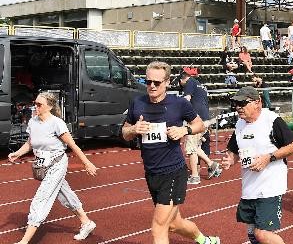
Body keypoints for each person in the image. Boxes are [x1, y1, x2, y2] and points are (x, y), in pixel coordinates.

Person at [121, 61, 220, 244]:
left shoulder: (179, 103)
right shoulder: (137, 103)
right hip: (152, 173)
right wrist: (134, 129)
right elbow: (124, 133)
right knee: (174, 224)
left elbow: (199, 124)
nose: (151, 86)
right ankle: (205, 241)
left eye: (156, 83)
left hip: (174, 172)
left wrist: (184, 130)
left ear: (167, 82)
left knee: (158, 227)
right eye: (148, 81)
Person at [8, 92, 99, 243]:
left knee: (41, 198)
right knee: (64, 194)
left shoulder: (57, 123)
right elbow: (31, 143)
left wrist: (87, 163)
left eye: (39, 104)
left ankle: (24, 241)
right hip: (43, 165)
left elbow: (72, 145)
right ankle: (86, 222)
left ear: (49, 107)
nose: (35, 106)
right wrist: (17, 153)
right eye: (34, 103)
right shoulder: (33, 122)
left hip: (57, 164)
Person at [219, 86, 293, 244]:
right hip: (249, 187)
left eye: (242, 103)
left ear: (258, 103)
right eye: (236, 103)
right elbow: (234, 151)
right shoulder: (240, 125)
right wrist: (230, 159)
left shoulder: (271, 120)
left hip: (270, 187)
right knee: (252, 234)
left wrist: (268, 158)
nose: (238, 107)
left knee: (262, 234)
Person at [180, 72, 222, 184]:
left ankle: (195, 176)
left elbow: (186, 100)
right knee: (195, 146)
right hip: (205, 118)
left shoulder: (189, 82)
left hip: (196, 119)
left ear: (183, 79)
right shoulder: (201, 86)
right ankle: (211, 164)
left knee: (191, 147)